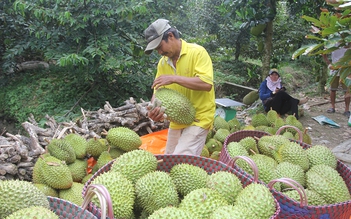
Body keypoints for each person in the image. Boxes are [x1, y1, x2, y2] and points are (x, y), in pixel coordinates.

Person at [144, 19, 216, 156]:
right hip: (177, 119)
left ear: (170, 36)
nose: (159, 52)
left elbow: (206, 84)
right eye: (156, 50)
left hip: (199, 117)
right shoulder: (163, 63)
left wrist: (173, 78)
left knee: (181, 160)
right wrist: (154, 109)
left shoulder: (198, 52)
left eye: (160, 46)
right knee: (169, 157)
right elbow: (158, 90)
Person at [322, 46, 351, 117]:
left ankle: (347, 110)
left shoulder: (348, 41)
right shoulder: (333, 43)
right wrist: (329, 64)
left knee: (347, 91)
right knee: (333, 89)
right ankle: (332, 107)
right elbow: (324, 53)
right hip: (334, 70)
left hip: (346, 70)